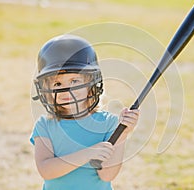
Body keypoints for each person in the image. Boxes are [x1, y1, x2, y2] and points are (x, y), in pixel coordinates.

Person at [30, 34, 139, 190]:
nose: (66, 90)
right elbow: (46, 171)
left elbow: (107, 176)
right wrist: (88, 153)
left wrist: (123, 133)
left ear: (91, 84)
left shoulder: (109, 123)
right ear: (45, 88)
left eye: (75, 81)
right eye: (58, 83)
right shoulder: (45, 126)